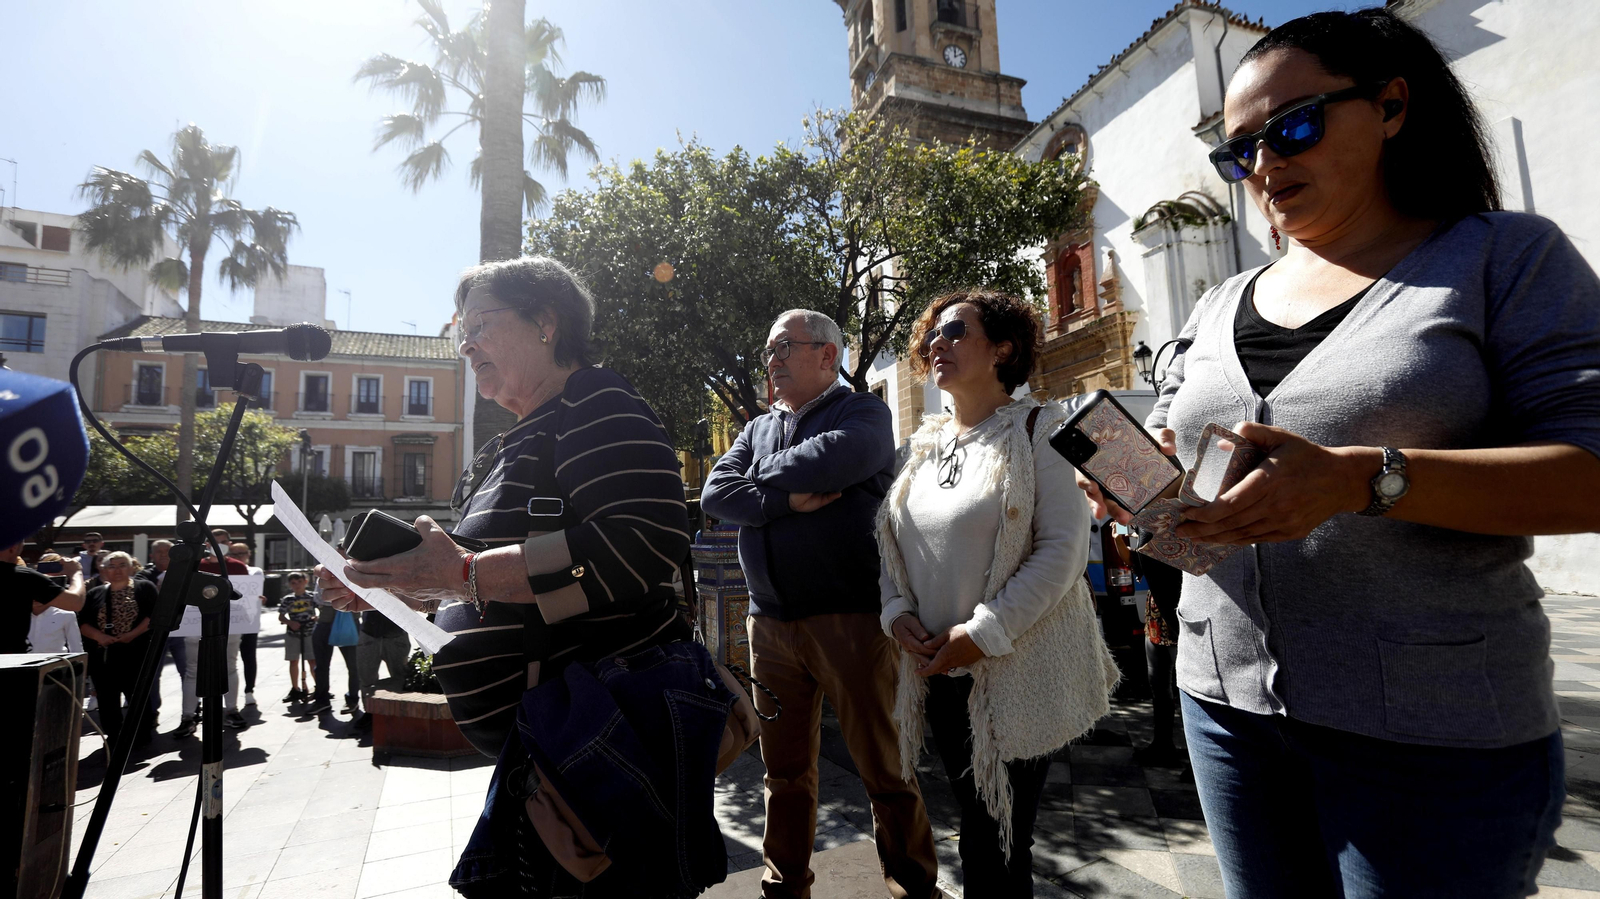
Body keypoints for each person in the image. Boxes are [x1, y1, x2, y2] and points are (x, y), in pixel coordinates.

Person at [1075, 10, 1600, 897]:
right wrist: (1146, 494)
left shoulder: (1503, 258)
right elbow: (1178, 465)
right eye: (1237, 152)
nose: (1263, 165)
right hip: (1225, 709)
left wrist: (1363, 479)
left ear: (1391, 106)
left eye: (1293, 128)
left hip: (1436, 734)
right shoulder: (1217, 305)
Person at [317, 257, 705, 896]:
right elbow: (488, 584)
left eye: (480, 325)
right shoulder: (514, 443)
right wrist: (394, 584)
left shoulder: (596, 401)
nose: (466, 344)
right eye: (460, 331)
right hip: (542, 753)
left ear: (545, 322)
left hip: (601, 747)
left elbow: (644, 542)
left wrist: (463, 572)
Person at [876, 291, 1116, 896]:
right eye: (933, 333)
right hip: (939, 670)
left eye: (956, 331)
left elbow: (1061, 553)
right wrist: (895, 610)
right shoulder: (923, 445)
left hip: (1013, 671)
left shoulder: (1043, 429)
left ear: (1002, 350)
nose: (937, 342)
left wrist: (982, 634)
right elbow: (891, 544)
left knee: (996, 839)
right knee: (979, 829)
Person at [702, 309, 940, 899]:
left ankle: (913, 887)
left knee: (884, 768)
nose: (772, 361)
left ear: (828, 355)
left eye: (784, 347)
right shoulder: (757, 428)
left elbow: (833, 460)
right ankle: (784, 887)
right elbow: (716, 493)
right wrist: (783, 501)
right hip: (769, 626)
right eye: (768, 351)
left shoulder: (864, 414)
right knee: (782, 773)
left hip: (851, 620)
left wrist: (757, 480)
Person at [77, 552, 156, 745]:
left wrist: (132, 634)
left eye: (122, 565)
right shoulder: (95, 593)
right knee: (107, 699)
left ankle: (141, 736)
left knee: (137, 696)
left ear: (131, 568)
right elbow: (83, 622)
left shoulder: (144, 587)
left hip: (135, 652)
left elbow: (153, 615)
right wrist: (100, 637)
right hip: (103, 655)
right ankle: (114, 737)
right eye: (112, 566)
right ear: (103, 570)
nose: (117, 570)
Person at [175, 547, 249, 735]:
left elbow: (246, 595)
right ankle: (188, 716)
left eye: (223, 542)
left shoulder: (238, 566)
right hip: (196, 626)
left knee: (229, 666)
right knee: (193, 671)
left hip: (229, 625)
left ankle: (230, 710)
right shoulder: (196, 565)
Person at [2, 543, 85, 652]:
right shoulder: (22, 576)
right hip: (11, 658)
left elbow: (76, 646)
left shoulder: (64, 615)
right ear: (13, 548)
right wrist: (76, 572)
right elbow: (75, 602)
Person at [352, 609, 409, 729]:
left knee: (402, 678)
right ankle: (370, 713)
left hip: (396, 633)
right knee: (366, 678)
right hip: (370, 632)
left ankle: (404, 714)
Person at [227, 542, 264, 707]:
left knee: (248, 656)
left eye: (241, 553)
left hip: (248, 621)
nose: (238, 557)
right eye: (234, 554)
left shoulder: (255, 571)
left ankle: (249, 690)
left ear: (248, 554)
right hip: (229, 621)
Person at [278, 572, 316, 702]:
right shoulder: (287, 599)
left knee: (312, 660)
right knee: (293, 660)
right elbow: (281, 616)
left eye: (299, 582)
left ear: (305, 582)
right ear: (289, 585)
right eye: (293, 583)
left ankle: (319, 686)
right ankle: (295, 688)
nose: (297, 585)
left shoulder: (312, 597)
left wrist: (316, 618)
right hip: (293, 634)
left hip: (309, 632)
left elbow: (321, 610)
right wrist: (290, 622)